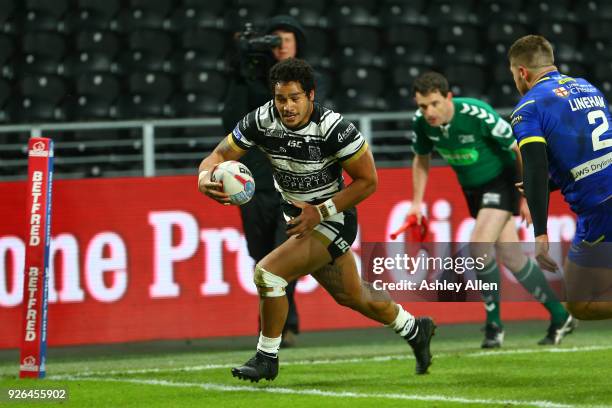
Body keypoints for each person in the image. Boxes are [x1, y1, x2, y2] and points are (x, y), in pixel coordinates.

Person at [199, 58, 435, 382]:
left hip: (333, 218)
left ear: (310, 95)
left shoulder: (334, 129)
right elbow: (219, 155)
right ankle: (414, 328)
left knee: (268, 275)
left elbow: (369, 182)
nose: (287, 106)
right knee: (353, 295)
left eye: (294, 97)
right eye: (281, 99)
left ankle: (267, 357)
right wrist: (203, 176)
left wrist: (320, 211)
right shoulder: (262, 119)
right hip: (300, 219)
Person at [408, 71, 576, 348]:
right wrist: (417, 202)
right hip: (473, 191)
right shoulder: (422, 124)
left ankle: (494, 326)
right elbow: (421, 159)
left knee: (478, 246)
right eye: (423, 106)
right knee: (512, 257)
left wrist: (528, 197)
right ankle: (560, 316)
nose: (429, 112)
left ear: (448, 97)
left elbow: (518, 148)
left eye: (435, 103)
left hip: (502, 182)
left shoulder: (476, 114)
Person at [222, 15, 328, 346]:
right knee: (259, 255)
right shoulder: (254, 79)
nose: (281, 44)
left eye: (288, 39)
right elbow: (230, 119)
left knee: (284, 255)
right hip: (254, 184)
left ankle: (280, 327)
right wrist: (241, 71)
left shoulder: (309, 84)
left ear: (299, 44)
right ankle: (279, 325)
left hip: (294, 185)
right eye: (275, 39)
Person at [508, 35, 612, 320]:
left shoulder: (527, 109)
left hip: (600, 210)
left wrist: (540, 233)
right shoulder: (587, 86)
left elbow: (535, 169)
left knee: (580, 304)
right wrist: (554, 184)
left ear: (521, 72)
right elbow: (595, 149)